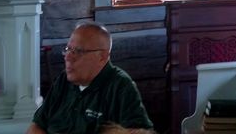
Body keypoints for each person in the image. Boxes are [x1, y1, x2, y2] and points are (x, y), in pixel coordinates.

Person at [26, 22, 155, 134]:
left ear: (102, 57)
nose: (68, 57)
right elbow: (36, 125)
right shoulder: (63, 81)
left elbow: (140, 131)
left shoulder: (120, 86)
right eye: (68, 49)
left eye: (78, 51)